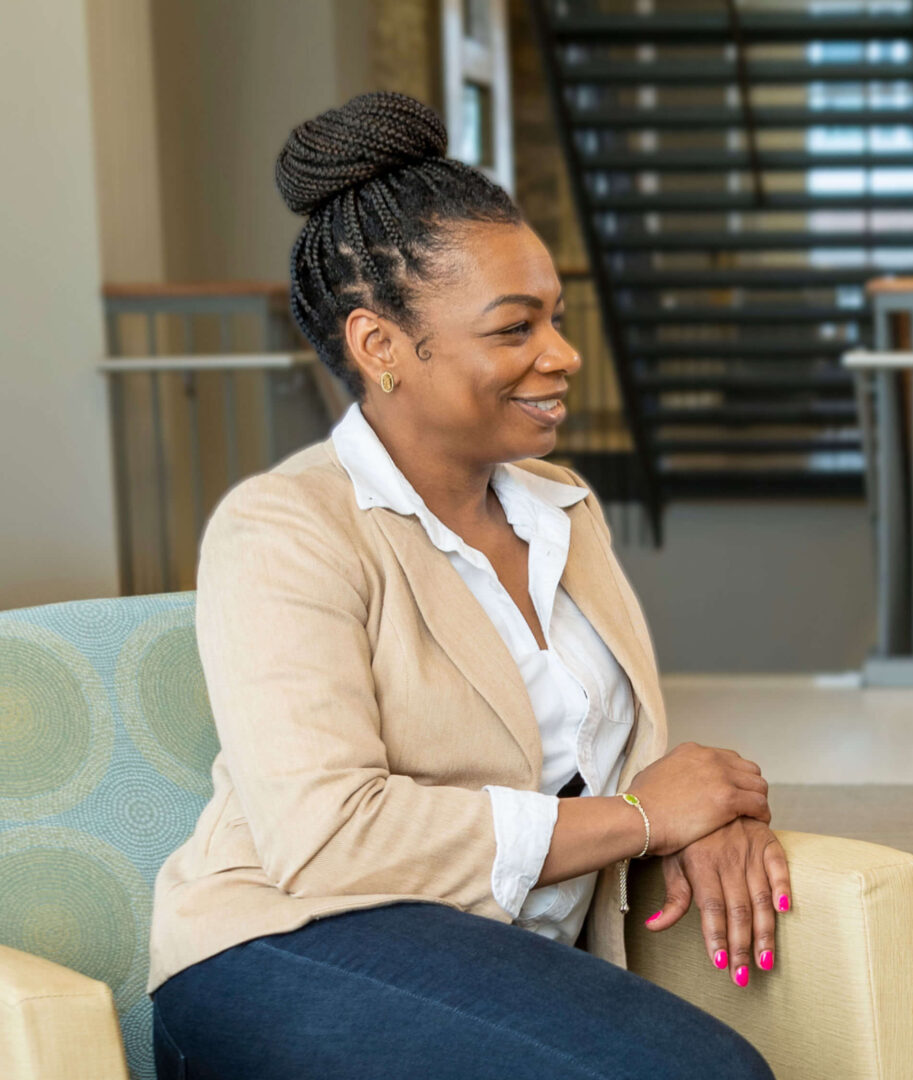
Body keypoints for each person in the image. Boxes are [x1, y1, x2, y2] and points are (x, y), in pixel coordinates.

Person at [147, 92, 780, 1080]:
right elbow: (328, 843)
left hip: (497, 956)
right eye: (514, 328)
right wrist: (643, 820)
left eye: (557, 319)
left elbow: (619, 759)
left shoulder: (562, 508)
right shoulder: (283, 529)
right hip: (286, 946)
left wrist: (712, 817)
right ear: (381, 348)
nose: (563, 355)